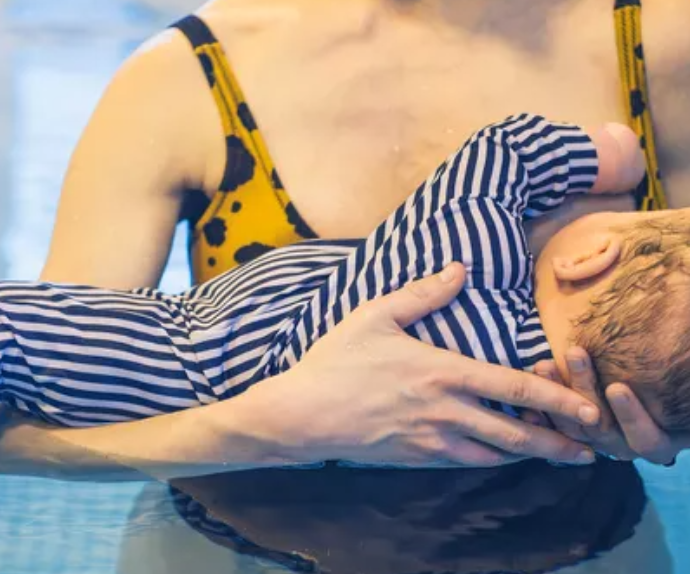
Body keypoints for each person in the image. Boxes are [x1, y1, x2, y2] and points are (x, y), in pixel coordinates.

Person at [2, 0, 689, 478]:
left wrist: (665, 425)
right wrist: (254, 430)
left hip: (564, 548)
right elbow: (36, 414)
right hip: (244, 543)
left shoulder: (661, 41)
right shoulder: (185, 75)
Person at [3, 113, 676, 449]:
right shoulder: (545, 405)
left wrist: (615, 156)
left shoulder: (461, 260)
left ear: (590, 258)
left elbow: (507, 149)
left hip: (145, 355)